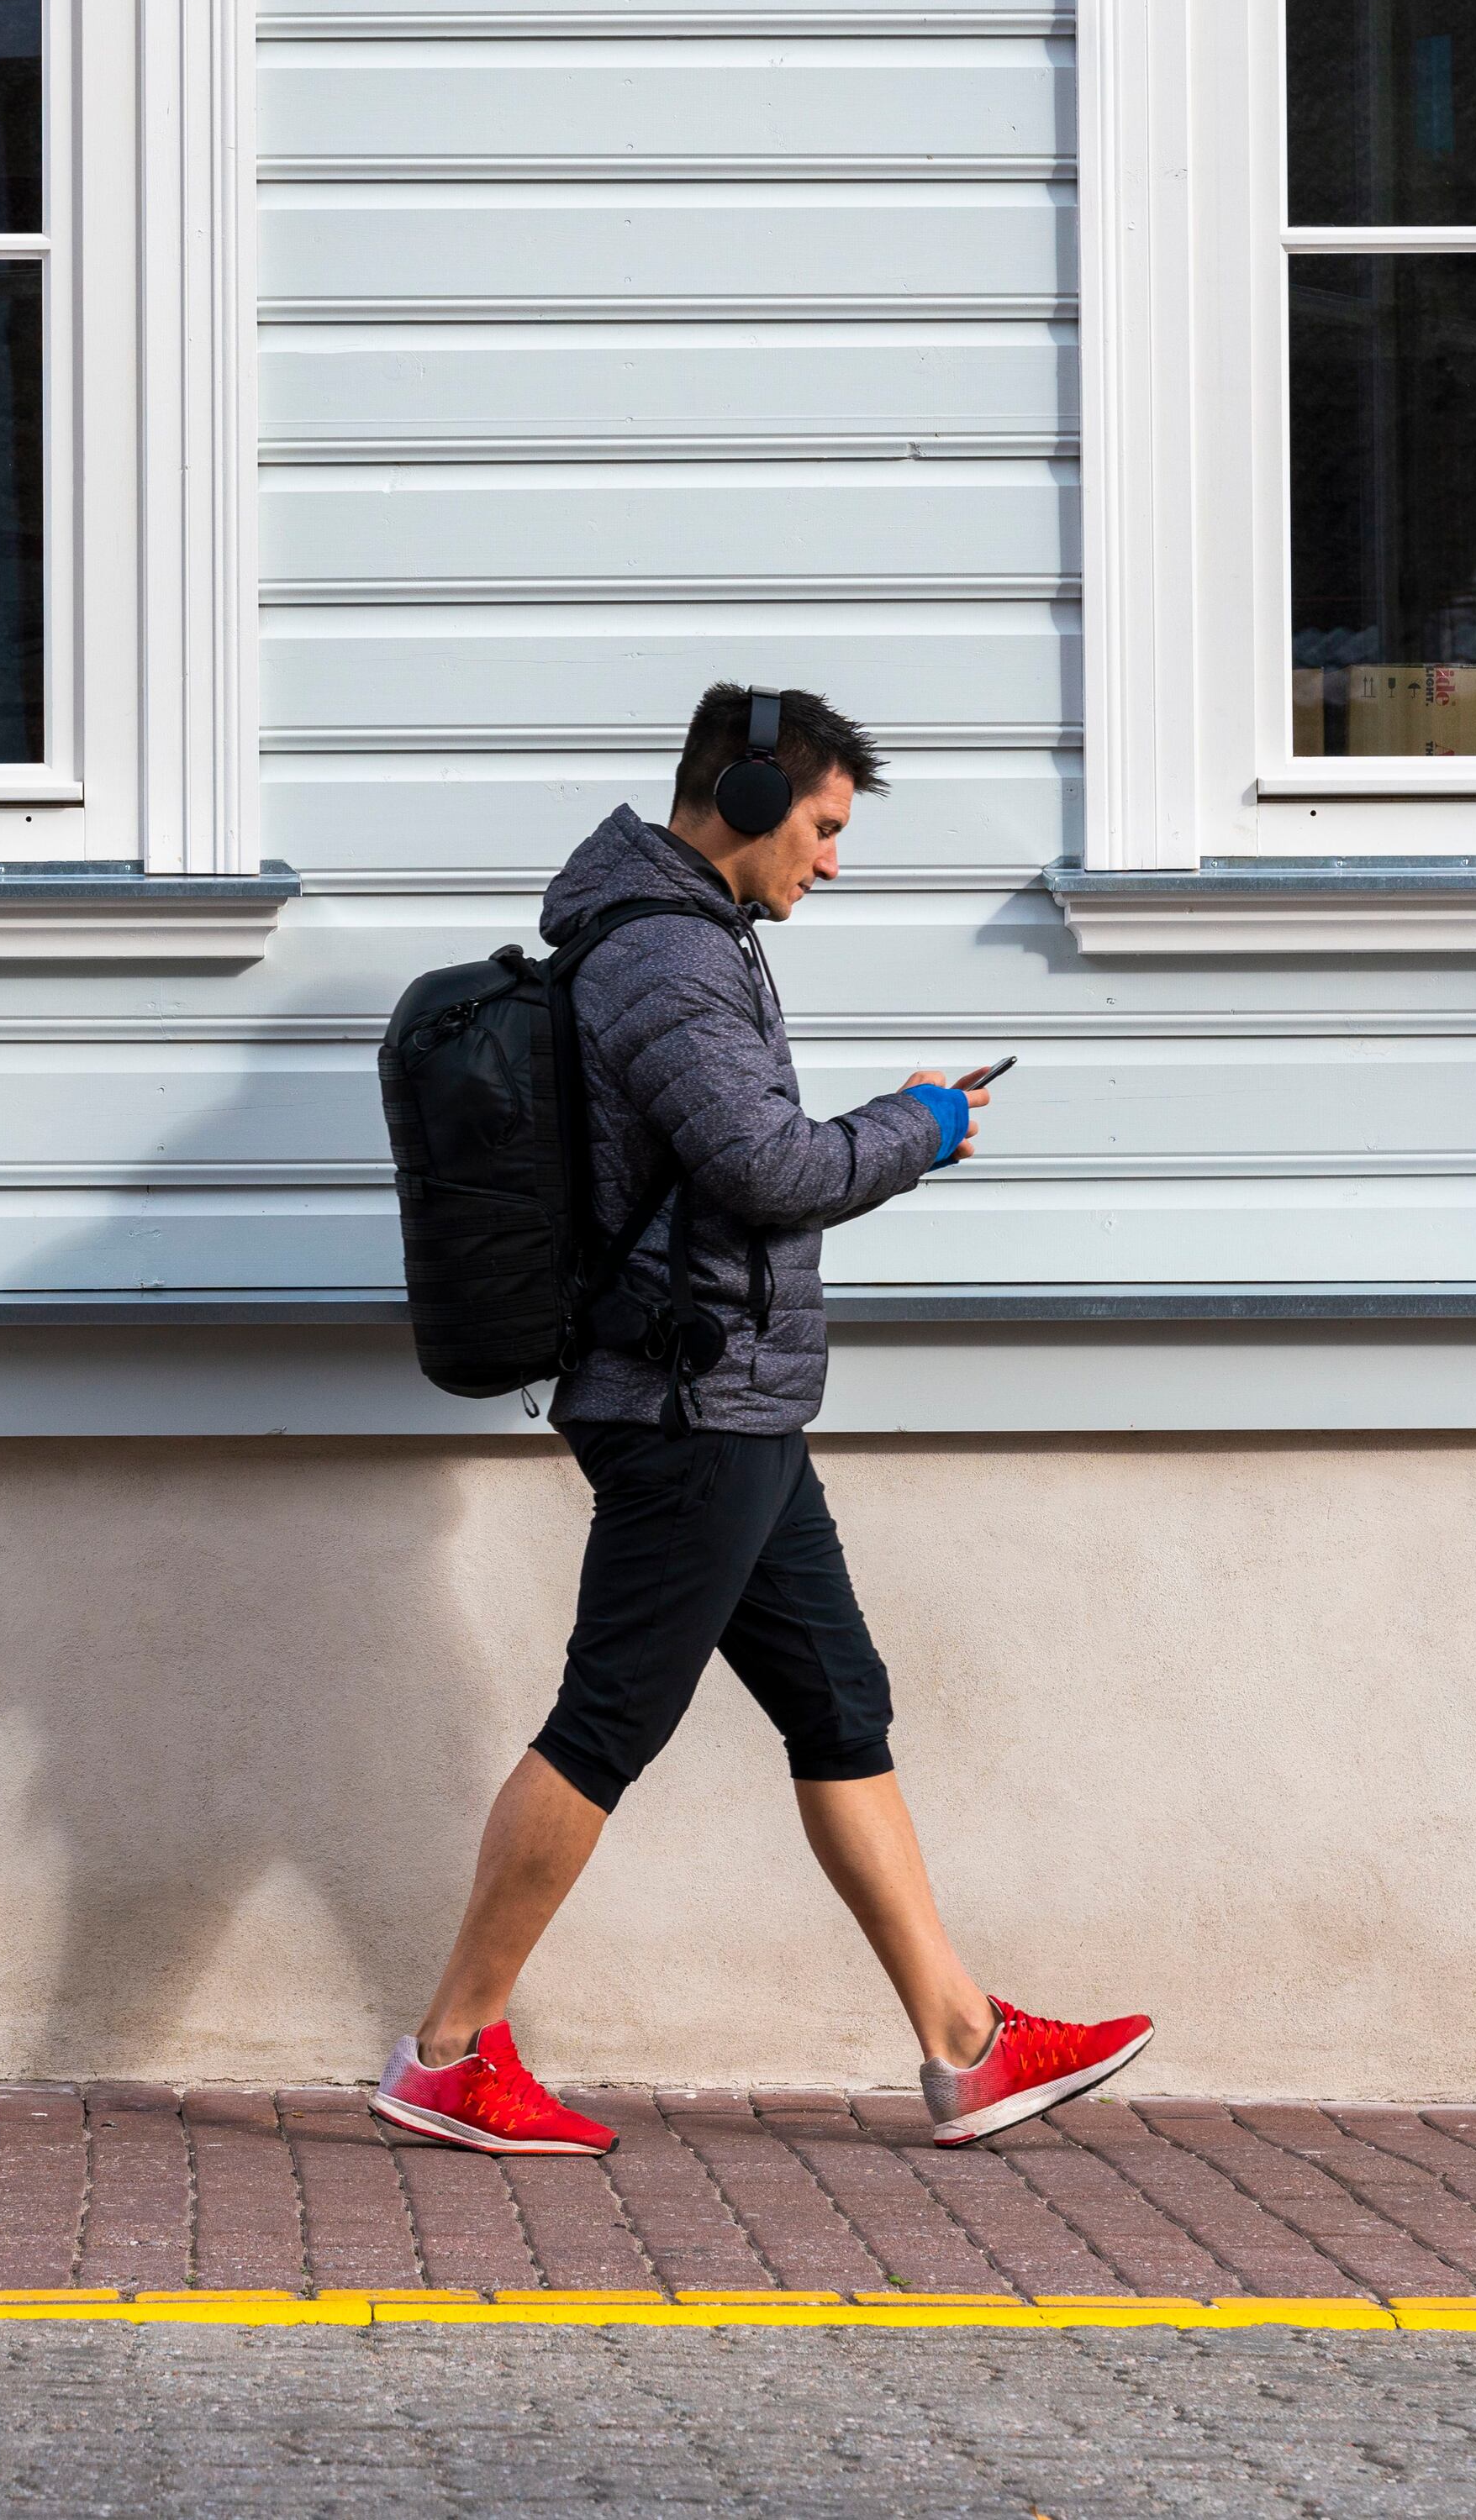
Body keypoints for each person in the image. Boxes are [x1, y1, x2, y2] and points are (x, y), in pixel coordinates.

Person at [370, 684, 1156, 2157]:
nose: (832, 862)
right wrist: (922, 1129)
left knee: (837, 1707)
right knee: (608, 1724)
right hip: (691, 1405)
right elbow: (767, 1168)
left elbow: (740, 1157)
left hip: (733, 1395)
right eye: (821, 826)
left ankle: (965, 2043)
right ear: (739, 802)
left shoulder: (677, 939)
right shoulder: (668, 957)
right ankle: (447, 2051)